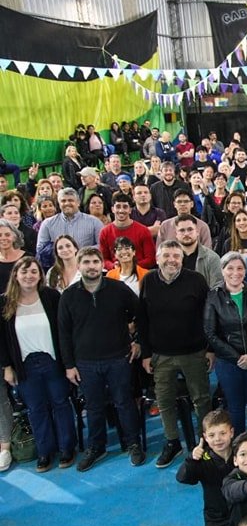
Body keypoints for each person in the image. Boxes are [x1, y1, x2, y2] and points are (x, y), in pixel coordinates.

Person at [58, 246, 143, 470]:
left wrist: (138, 341)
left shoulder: (118, 289)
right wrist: (69, 365)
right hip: (85, 363)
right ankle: (97, 447)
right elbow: (63, 333)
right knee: (94, 407)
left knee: (124, 403)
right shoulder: (68, 296)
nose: (92, 266)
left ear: (102, 264)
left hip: (119, 359)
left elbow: (141, 314)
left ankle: (133, 443)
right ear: (79, 266)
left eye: (95, 262)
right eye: (86, 262)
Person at [139, 240, 213, 469]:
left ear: (182, 259)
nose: (171, 260)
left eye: (176, 256)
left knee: (201, 399)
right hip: (161, 355)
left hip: (194, 353)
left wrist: (210, 349)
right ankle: (172, 442)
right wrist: (146, 353)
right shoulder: (148, 281)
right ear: (157, 258)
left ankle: (206, 442)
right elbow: (142, 319)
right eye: (166, 255)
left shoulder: (196, 280)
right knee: (164, 400)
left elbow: (209, 316)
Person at [0, 257, 77, 472]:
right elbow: (2, 340)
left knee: (61, 403)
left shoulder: (51, 297)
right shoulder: (5, 302)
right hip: (25, 366)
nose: (29, 276)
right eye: (24, 272)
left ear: (40, 275)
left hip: (53, 362)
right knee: (36, 409)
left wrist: (68, 363)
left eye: (34, 272)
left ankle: (67, 448)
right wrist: (7, 367)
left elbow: (64, 331)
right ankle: (44, 452)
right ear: (16, 275)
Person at [204, 252, 247, 433]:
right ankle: (239, 442)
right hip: (228, 362)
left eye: (240, 268)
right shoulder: (213, 296)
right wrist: (236, 358)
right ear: (222, 270)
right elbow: (210, 333)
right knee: (235, 406)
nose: (235, 273)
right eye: (230, 268)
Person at [176, 409, 235, 526]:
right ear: (205, 437)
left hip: (242, 514)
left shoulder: (241, 454)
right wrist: (191, 459)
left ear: (231, 432)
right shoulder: (202, 459)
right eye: (212, 435)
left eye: (222, 433)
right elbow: (182, 478)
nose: (218, 439)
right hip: (216, 519)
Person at [36, 188, 104, 269]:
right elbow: (40, 248)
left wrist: (82, 252)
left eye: (71, 200)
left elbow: (102, 245)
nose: (67, 203)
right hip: (58, 268)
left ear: (78, 203)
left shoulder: (94, 222)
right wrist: (63, 252)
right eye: (63, 201)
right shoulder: (47, 224)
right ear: (59, 203)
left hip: (87, 268)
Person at [97, 193, 155, 270]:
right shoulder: (105, 232)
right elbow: (103, 259)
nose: (121, 210)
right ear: (112, 209)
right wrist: (113, 266)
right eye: (118, 207)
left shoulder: (143, 231)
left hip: (139, 272)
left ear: (130, 210)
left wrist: (130, 267)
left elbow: (151, 259)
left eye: (125, 207)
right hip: (114, 273)